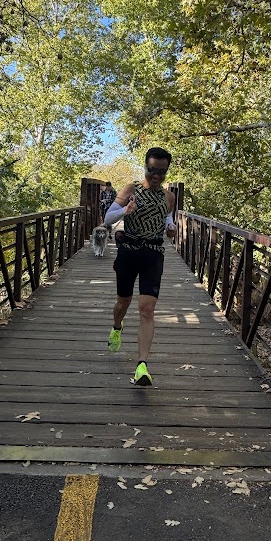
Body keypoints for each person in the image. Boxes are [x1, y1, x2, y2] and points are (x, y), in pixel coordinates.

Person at [103, 147, 177, 386]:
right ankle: (117, 327)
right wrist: (125, 210)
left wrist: (171, 228)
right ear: (145, 166)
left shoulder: (168, 197)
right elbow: (107, 219)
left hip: (153, 254)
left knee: (147, 309)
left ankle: (141, 366)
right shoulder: (130, 190)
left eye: (161, 172)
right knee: (122, 303)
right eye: (152, 170)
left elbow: (167, 218)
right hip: (128, 252)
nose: (156, 175)